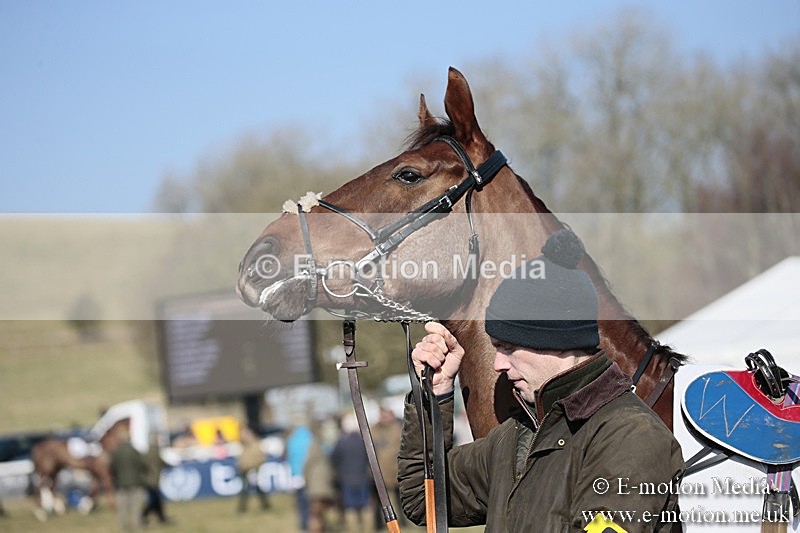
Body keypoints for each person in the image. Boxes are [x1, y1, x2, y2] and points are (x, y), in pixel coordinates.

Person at [398, 229, 684, 532]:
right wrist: (434, 396)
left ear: (557, 340)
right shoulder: (517, 434)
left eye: (508, 348)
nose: (499, 364)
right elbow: (425, 498)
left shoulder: (630, 435)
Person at [331, 413, 373, 533]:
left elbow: (333, 459)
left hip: (346, 480)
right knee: (366, 506)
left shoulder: (341, 442)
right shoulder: (363, 441)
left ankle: (354, 530)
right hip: (363, 478)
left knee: (350, 508)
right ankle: (368, 530)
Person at [371, 405, 404, 529]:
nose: (384, 417)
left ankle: (403, 521)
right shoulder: (374, 429)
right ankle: (379, 525)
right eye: (382, 415)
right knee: (379, 501)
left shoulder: (398, 428)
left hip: (396, 470)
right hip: (379, 472)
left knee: (400, 499)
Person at [109, 426, 148, 532]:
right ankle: (137, 527)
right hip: (136, 483)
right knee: (136, 508)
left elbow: (112, 467)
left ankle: (124, 528)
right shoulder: (134, 451)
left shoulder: (115, 453)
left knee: (122, 509)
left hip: (121, 484)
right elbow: (142, 465)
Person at [304, 419, 337, 533]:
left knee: (315, 514)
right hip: (326, 486)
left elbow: (307, 466)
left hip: (316, 487)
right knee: (322, 512)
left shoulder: (313, 446)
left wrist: (306, 481)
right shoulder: (327, 446)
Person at [286, 415, 313, 531]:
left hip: (297, 477)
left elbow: (289, 458)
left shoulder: (292, 441)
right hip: (310, 476)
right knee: (311, 503)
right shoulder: (311, 439)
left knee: (301, 504)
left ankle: (303, 526)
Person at [236, 426, 270, 513]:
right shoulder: (244, 446)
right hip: (245, 471)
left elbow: (261, 458)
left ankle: (265, 505)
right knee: (246, 490)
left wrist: (254, 468)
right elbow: (242, 459)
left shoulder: (255, 445)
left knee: (256, 489)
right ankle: (243, 508)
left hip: (254, 470)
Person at [141, 433, 170, 526]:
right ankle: (145, 515)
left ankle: (161, 518)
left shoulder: (148, 451)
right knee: (154, 501)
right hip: (152, 480)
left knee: (156, 501)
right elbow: (160, 462)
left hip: (150, 480)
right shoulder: (155, 451)